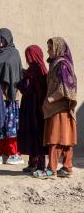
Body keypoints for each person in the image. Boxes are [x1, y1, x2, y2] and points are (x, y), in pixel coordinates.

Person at [34, 37, 77, 179]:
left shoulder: (62, 65)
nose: (48, 51)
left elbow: (63, 88)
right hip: (60, 108)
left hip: (59, 108)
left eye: (50, 48)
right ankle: (67, 167)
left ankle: (51, 169)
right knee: (66, 138)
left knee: (55, 138)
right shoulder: (58, 64)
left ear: (58, 48)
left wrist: (49, 99)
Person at [0, 28, 24, 165]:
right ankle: (0, 153)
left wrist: (9, 90)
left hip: (9, 96)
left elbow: (16, 73)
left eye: (4, 39)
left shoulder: (13, 53)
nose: (1, 42)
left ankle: (12, 153)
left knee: (9, 125)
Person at [17, 45, 48, 173]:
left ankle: (38, 164)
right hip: (38, 107)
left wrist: (19, 83)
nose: (27, 58)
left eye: (28, 55)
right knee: (36, 135)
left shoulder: (33, 70)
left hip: (32, 108)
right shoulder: (41, 69)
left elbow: (28, 89)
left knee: (35, 134)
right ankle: (34, 163)